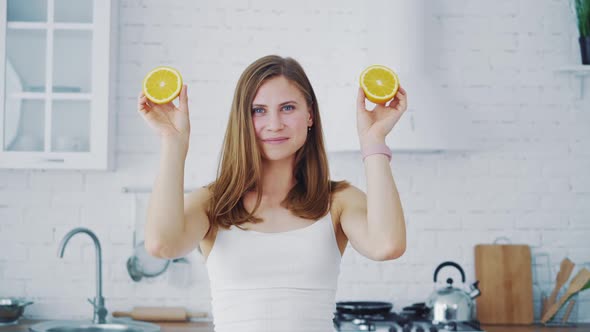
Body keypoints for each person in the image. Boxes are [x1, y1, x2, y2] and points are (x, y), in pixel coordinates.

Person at [138, 55, 407, 332]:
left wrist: (373, 141)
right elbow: (162, 245)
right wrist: (173, 141)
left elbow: (387, 245)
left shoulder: (339, 201)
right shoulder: (213, 203)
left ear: (310, 115)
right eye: (258, 110)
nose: (275, 124)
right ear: (242, 119)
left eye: (288, 108)